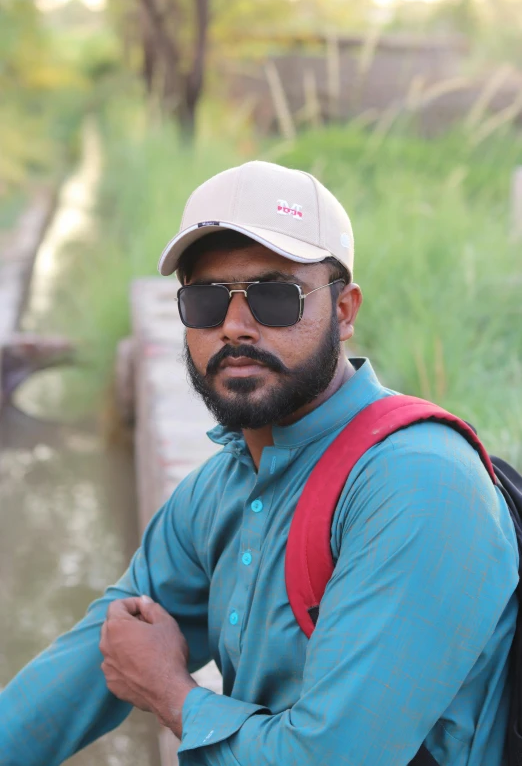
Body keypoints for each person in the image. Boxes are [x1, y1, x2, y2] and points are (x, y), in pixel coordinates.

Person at [0, 161, 518, 766]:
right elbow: (102, 649)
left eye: (275, 297)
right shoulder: (223, 485)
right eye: (206, 299)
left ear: (344, 312)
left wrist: (172, 694)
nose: (235, 327)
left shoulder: (418, 483)